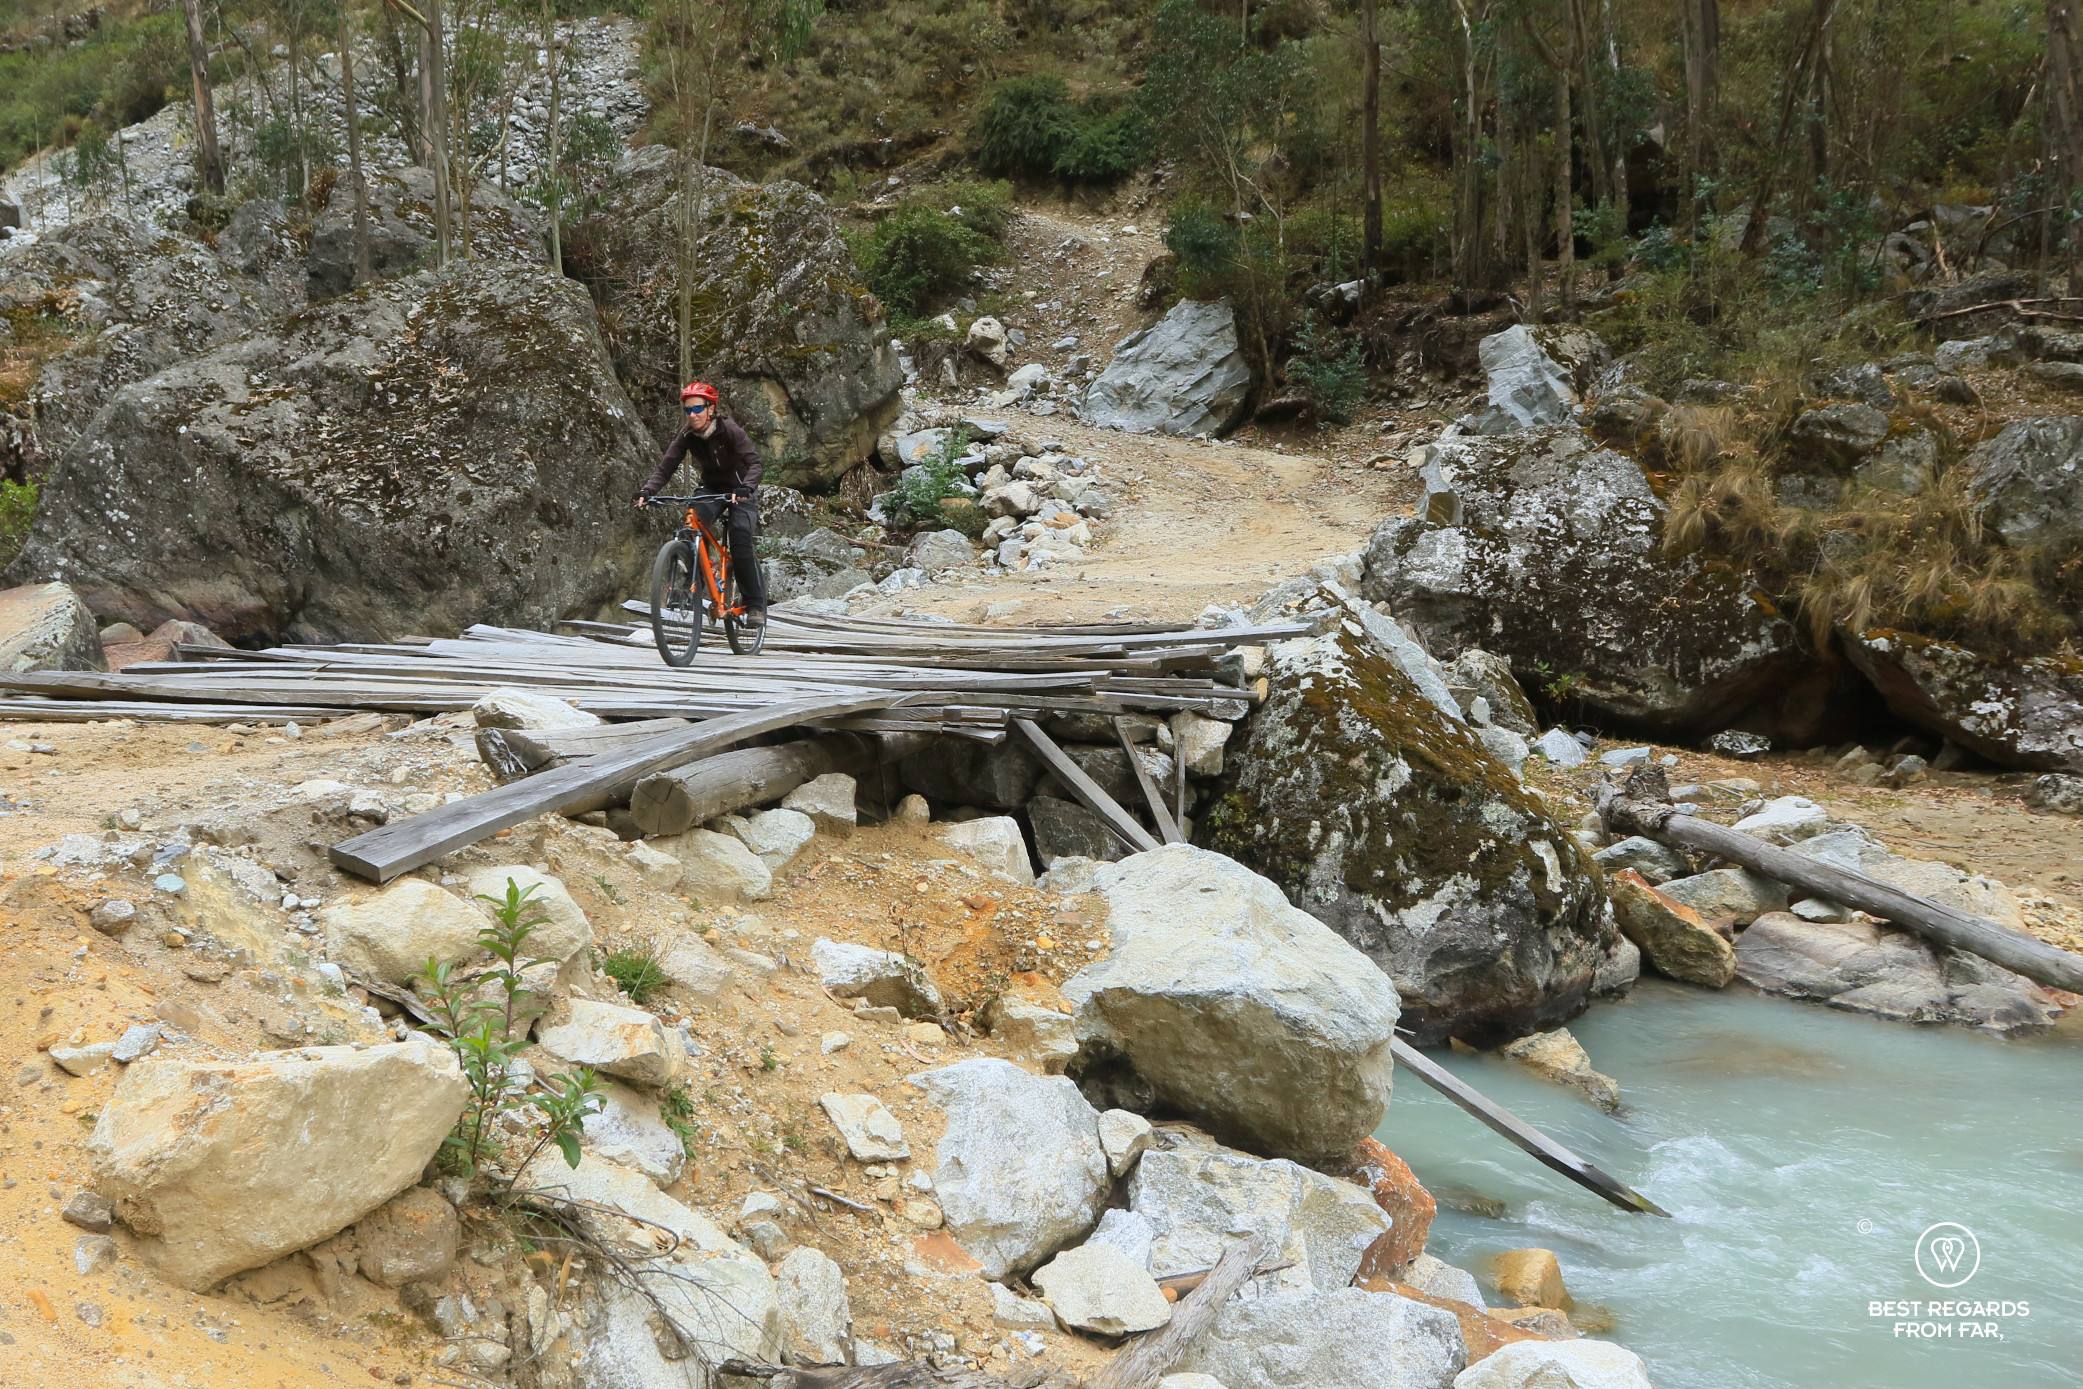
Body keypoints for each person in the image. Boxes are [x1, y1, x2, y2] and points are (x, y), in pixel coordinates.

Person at [636, 381, 767, 626]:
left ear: (710, 409)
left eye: (697, 409)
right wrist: (647, 490)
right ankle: (691, 587)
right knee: (691, 524)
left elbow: (755, 464)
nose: (692, 415)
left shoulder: (729, 429)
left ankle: (755, 606)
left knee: (739, 538)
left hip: (741, 488)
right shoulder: (687, 434)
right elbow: (666, 467)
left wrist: (746, 488)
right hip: (712, 488)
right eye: (688, 410)